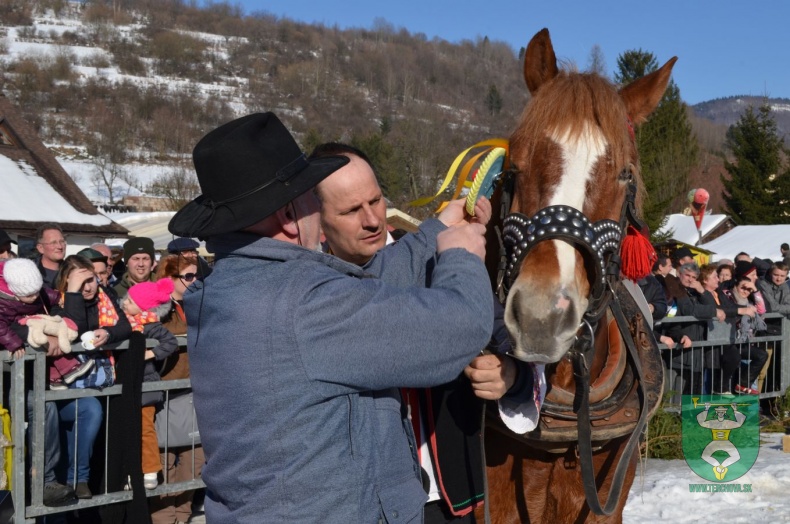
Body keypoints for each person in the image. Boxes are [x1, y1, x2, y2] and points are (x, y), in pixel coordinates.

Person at [167, 112, 494, 523]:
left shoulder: (234, 288)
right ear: (288, 217)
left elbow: (363, 285)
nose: (315, 211)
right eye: (309, 197)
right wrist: (461, 256)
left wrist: (436, 231)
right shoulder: (304, 303)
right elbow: (458, 327)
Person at [310, 142, 543, 522]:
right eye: (352, 210)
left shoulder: (443, 257)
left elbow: (510, 339)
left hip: (455, 495)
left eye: (376, 200)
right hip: (364, 507)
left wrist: (511, 375)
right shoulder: (311, 293)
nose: (373, 220)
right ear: (315, 217)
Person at [52, 255, 132, 498]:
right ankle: (79, 478)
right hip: (61, 387)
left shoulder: (106, 298)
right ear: (65, 282)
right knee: (89, 410)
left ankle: (78, 481)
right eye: (79, 282)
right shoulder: (56, 303)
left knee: (89, 416)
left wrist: (107, 333)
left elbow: (125, 326)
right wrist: (73, 293)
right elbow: (73, 329)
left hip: (100, 382)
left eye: (91, 280)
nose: (88, 287)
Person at [149, 253, 206, 524]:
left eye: (197, 275)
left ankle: (182, 515)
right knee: (165, 459)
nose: (195, 281)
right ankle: (163, 518)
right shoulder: (158, 307)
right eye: (188, 276)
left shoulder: (199, 304)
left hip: (195, 391)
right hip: (165, 392)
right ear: (169, 278)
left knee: (196, 459)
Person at [0, 259, 94, 390]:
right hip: (21, 327)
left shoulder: (36, 292)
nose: (34, 297)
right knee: (42, 341)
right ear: (15, 292)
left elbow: (45, 293)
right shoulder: (4, 304)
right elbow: (1, 328)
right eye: (29, 295)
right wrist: (15, 344)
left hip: (32, 320)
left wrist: (57, 297)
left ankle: (60, 373)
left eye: (36, 291)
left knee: (52, 337)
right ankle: (60, 372)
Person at [121, 279, 178, 490]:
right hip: (128, 383)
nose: (124, 303)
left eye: (130, 300)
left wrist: (149, 353)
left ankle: (151, 470)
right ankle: (130, 472)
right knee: (127, 430)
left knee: (145, 429)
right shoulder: (121, 322)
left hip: (146, 384)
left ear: (143, 306)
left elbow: (170, 343)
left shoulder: (150, 324)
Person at [721, 276, 769, 395]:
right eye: (743, 288)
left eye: (749, 290)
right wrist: (743, 310)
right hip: (727, 342)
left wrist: (756, 290)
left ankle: (743, 384)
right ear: (735, 286)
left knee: (762, 355)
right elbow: (727, 308)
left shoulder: (750, 302)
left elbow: (762, 310)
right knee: (732, 366)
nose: (745, 291)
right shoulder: (727, 296)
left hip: (743, 341)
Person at [33, 223, 67, 288]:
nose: (60, 246)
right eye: (53, 243)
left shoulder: (72, 271)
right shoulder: (30, 273)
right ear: (41, 248)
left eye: (62, 241)